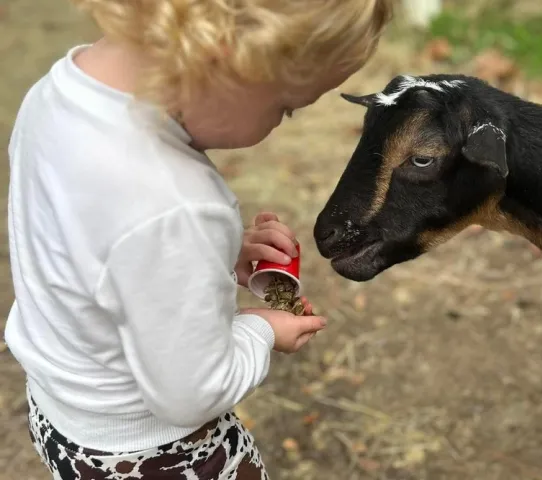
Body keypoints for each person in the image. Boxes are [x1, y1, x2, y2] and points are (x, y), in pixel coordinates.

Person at [4, 0, 394, 478]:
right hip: (154, 455)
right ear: (225, 57)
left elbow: (93, 250)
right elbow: (194, 392)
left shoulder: (56, 95)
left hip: (61, 416)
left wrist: (214, 258)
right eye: (285, 107)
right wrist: (263, 329)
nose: (276, 125)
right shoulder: (179, 203)